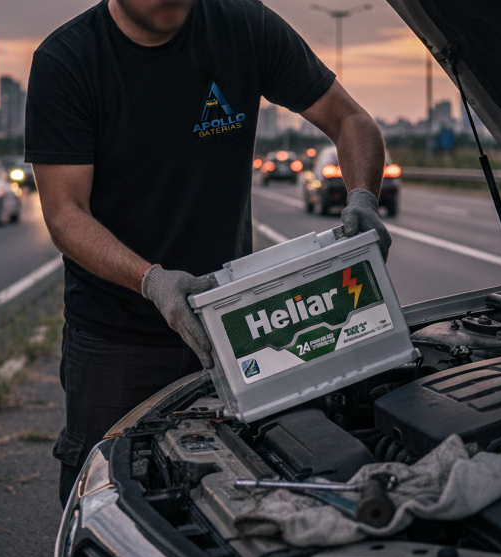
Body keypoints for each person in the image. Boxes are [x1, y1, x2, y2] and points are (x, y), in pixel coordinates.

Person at [24, 0, 392, 507]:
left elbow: (350, 119)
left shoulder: (242, 25)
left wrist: (363, 198)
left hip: (235, 326)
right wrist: (152, 281)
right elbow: (65, 213)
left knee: (242, 486)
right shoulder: (68, 60)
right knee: (104, 495)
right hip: (117, 337)